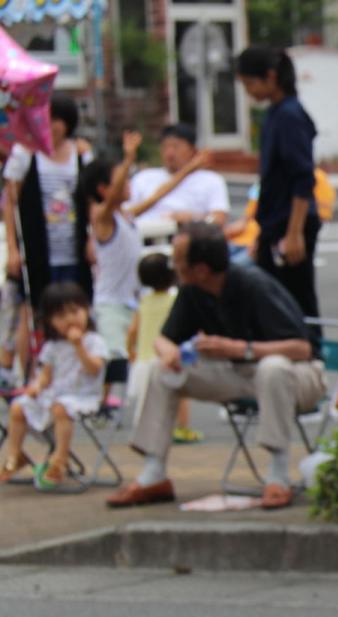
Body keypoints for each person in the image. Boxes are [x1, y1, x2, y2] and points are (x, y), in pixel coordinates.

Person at [106, 222, 324, 510]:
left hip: (297, 375)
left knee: (272, 368)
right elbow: (164, 339)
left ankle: (278, 475)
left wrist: (240, 349)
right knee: (161, 371)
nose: (174, 265)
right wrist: (169, 352)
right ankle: (153, 473)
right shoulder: (192, 290)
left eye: (179, 259)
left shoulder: (252, 284)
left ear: (201, 269)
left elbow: (302, 348)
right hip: (238, 374)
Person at [80, 131, 210, 361]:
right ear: (103, 189)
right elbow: (110, 201)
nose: (129, 183)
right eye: (122, 179)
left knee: (136, 359)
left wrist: (190, 168)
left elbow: (159, 194)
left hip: (132, 303)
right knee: (117, 362)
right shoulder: (102, 218)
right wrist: (128, 158)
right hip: (110, 307)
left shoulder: (126, 216)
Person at [3, 95, 92, 375]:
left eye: (57, 120)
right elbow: (10, 203)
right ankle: (31, 371)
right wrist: (13, 249)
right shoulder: (25, 153)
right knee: (34, 310)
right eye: (46, 119)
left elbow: (90, 199)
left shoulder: (80, 153)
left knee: (74, 309)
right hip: (37, 245)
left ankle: (71, 370)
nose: (51, 126)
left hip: (71, 245)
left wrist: (91, 240)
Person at [234, 46, 322, 320]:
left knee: (294, 300)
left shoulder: (289, 115)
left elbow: (302, 177)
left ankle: (311, 351)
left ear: (271, 77)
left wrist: (294, 233)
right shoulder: (275, 112)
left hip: (291, 222)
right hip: (275, 221)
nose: (249, 92)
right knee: (274, 296)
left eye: (250, 83)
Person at [0, 282, 107, 489]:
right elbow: (45, 375)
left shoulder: (94, 341)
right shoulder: (52, 346)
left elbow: (94, 369)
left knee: (61, 407)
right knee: (18, 407)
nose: (69, 319)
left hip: (84, 396)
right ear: (50, 322)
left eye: (75, 312)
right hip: (55, 394)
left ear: (87, 310)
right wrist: (36, 386)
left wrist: (79, 347)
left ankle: (60, 458)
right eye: (60, 316)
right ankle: (15, 455)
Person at [124, 253, 200, 441]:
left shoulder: (143, 302)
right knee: (180, 394)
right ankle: (182, 428)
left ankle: (144, 431)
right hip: (168, 359)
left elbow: (133, 330)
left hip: (143, 360)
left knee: (145, 399)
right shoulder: (175, 300)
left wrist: (130, 350)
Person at [226, 169, 336, 268]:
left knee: (229, 271)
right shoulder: (269, 177)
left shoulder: (311, 177)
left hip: (262, 242)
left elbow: (320, 215)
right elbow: (249, 214)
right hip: (244, 237)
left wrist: (293, 235)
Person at [128, 123, 230, 227]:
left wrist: (193, 219)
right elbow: (125, 214)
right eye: (165, 146)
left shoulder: (211, 180)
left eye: (176, 146)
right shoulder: (143, 177)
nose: (170, 153)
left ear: (192, 150)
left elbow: (219, 219)